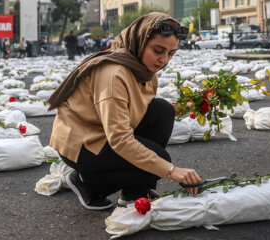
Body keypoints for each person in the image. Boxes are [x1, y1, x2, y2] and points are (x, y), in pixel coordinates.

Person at [47, 12, 201, 210]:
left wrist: (194, 105)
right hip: (83, 143)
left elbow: (142, 106)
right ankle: (87, 183)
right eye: (158, 50)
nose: (163, 59)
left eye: (170, 54)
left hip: (105, 131)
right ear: (140, 40)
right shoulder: (114, 75)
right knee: (159, 162)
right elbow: (120, 140)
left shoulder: (143, 68)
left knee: (162, 110)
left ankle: (134, 191)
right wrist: (172, 171)